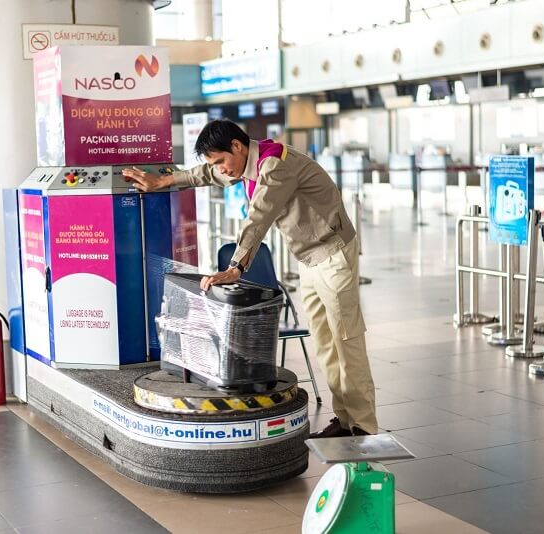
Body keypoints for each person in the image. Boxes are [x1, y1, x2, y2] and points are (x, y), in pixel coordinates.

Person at [123, 119, 378, 437]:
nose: (220, 169)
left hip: (332, 254)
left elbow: (259, 215)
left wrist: (236, 266)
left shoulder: (274, 165)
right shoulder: (244, 165)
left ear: (237, 146)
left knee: (346, 340)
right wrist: (164, 181)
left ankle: (363, 425)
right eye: (214, 163)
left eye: (221, 161)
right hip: (308, 259)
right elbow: (205, 174)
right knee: (326, 345)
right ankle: (344, 420)